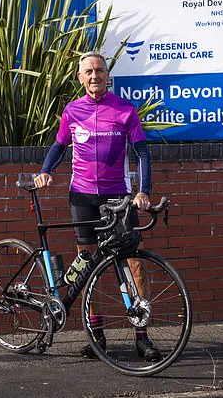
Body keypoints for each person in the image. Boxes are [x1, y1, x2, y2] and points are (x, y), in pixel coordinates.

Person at [33, 51, 161, 362]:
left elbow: (142, 153)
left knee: (134, 265)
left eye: (99, 70)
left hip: (118, 197)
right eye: (88, 71)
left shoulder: (125, 110)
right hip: (82, 197)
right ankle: (97, 335)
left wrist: (143, 192)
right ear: (80, 77)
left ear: (107, 76)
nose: (94, 76)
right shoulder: (72, 110)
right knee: (88, 265)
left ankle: (142, 336)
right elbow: (59, 146)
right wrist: (46, 171)